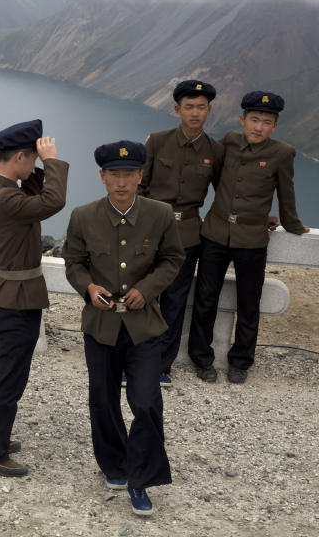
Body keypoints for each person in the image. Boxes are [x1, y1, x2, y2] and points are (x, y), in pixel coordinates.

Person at [62, 140, 184, 517]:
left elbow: (172, 259)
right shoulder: (83, 216)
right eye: (114, 174)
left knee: (146, 403)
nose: (122, 181)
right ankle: (114, 464)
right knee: (102, 399)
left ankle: (140, 479)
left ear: (140, 176)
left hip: (144, 327)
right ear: (102, 177)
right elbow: (73, 262)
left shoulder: (161, 214)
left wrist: (146, 291)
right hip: (100, 326)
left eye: (129, 174)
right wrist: (88, 287)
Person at [187, 91, 310, 384]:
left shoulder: (282, 153)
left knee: (248, 303)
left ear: (274, 126)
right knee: (205, 299)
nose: (258, 127)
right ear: (242, 120)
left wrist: (292, 224)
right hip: (215, 233)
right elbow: (216, 177)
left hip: (252, 239)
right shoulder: (228, 141)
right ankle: (201, 358)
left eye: (266, 122)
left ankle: (241, 361)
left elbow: (286, 194)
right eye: (254, 119)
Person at [0, 120, 68, 477]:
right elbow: (53, 200)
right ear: (18, 156)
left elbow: (36, 191)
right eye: (32, 160)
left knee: (2, 374)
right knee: (9, 380)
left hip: (6, 296)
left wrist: (35, 166)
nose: (37, 168)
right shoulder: (7, 198)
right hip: (16, 302)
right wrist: (54, 161)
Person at [138, 80, 224, 386]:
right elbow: (139, 186)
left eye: (202, 107)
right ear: (177, 109)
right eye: (189, 107)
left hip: (187, 236)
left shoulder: (215, 150)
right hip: (151, 232)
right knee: (143, 297)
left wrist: (260, 215)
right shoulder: (157, 142)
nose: (195, 113)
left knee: (174, 302)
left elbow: (225, 194)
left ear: (209, 111)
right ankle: (135, 361)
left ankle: (162, 366)